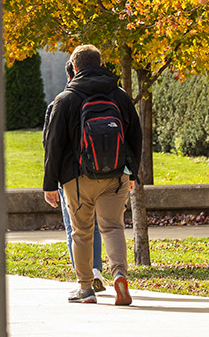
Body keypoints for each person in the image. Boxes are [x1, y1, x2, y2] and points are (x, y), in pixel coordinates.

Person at [41, 44, 141, 306]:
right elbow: (135, 136)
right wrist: (133, 174)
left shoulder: (66, 99)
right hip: (116, 174)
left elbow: (54, 146)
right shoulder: (119, 96)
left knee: (82, 231)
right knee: (113, 226)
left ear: (74, 68)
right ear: (100, 64)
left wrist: (50, 184)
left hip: (77, 178)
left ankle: (86, 288)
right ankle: (119, 273)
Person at [46, 64, 104, 293]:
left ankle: (84, 280)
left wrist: (50, 183)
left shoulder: (59, 102)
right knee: (97, 225)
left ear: (70, 75)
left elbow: (49, 144)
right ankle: (97, 271)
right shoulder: (106, 98)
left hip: (70, 176)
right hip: (103, 171)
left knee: (76, 228)